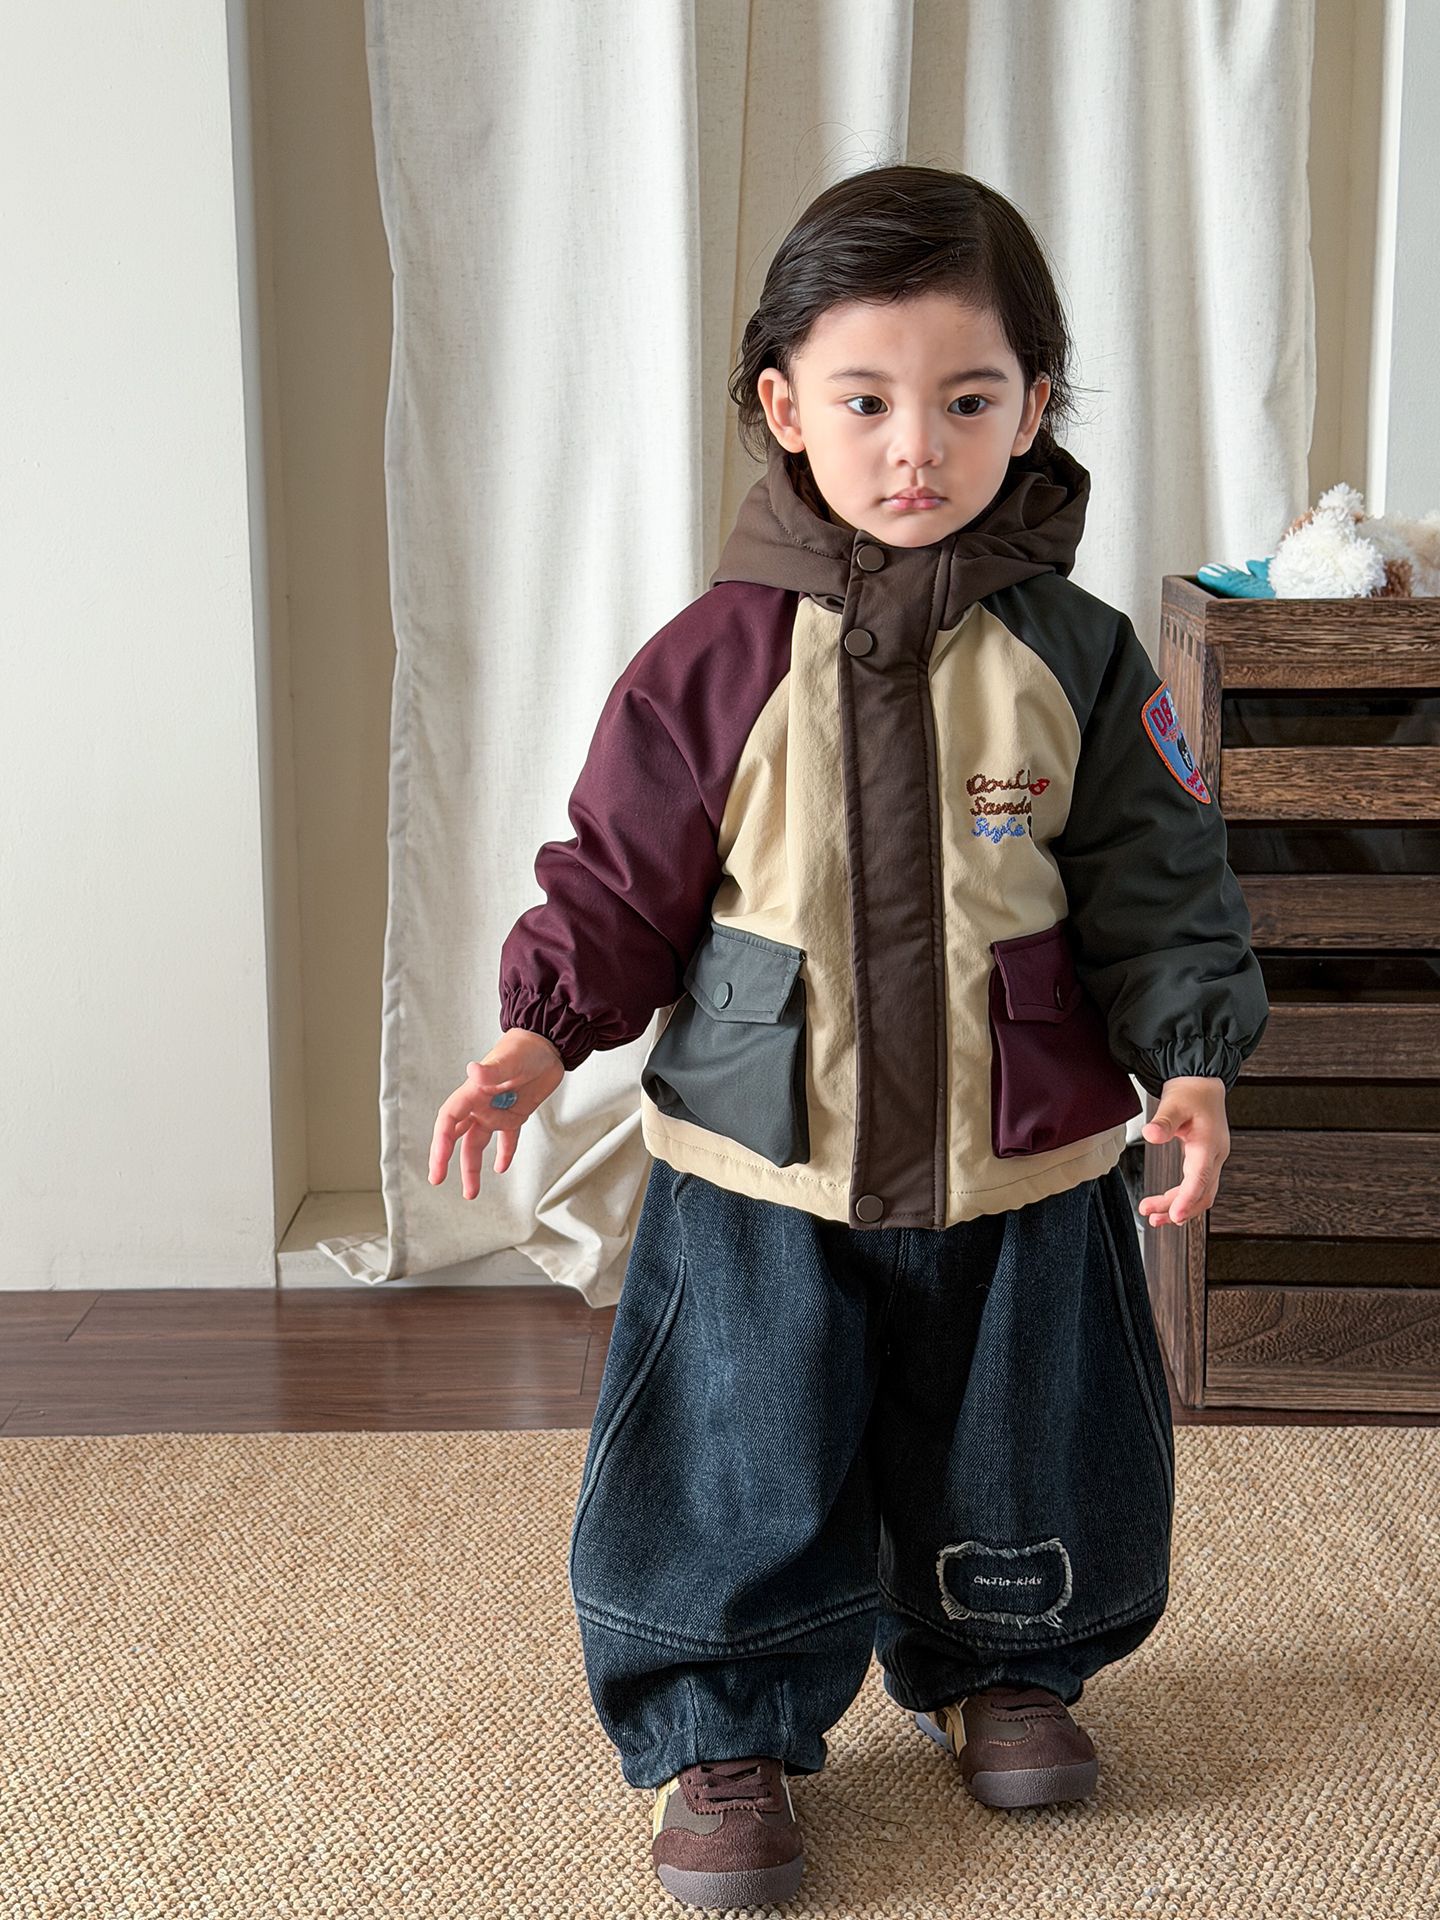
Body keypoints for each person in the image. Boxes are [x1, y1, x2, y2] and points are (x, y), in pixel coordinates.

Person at [428, 164, 1269, 1911]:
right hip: (766, 1158)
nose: (916, 448)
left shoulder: (1080, 655)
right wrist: (540, 1035)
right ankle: (721, 1718)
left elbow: (1159, 883)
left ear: (1033, 407)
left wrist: (1189, 1056)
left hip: (1019, 1147)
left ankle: (1008, 1664)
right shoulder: (714, 659)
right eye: (867, 401)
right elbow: (618, 875)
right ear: (785, 406)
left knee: (1028, 1426)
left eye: (967, 401)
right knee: (737, 1446)